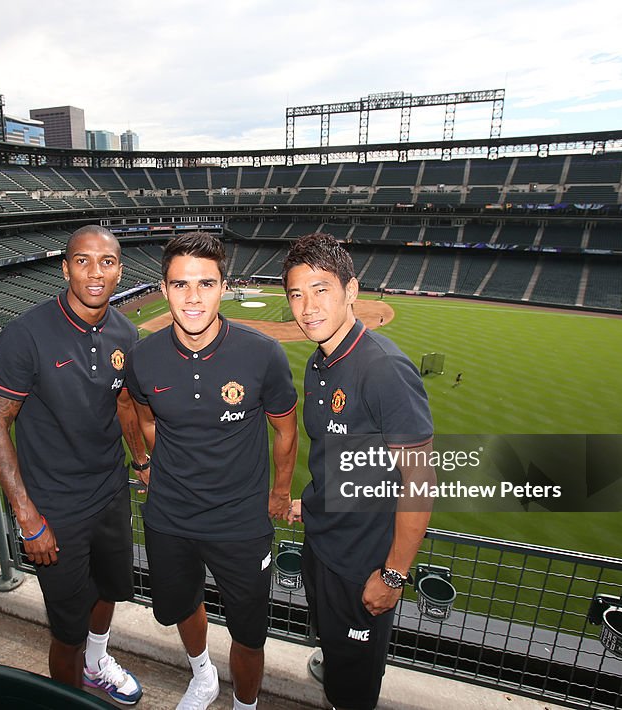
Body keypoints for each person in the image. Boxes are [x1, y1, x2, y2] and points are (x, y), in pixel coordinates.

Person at [124, 232, 299, 710]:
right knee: (182, 606)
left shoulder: (263, 354)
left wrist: (280, 493)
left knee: (249, 631)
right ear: (163, 289)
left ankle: (245, 705)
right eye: (180, 285)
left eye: (205, 283)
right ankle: (202, 676)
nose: (193, 297)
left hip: (241, 523)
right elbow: (141, 415)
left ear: (224, 286)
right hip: (170, 518)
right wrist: (149, 463)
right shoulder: (145, 357)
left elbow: (286, 431)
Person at [0, 225, 146, 706]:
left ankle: (97, 664)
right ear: (65, 267)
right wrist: (27, 516)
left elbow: (122, 406)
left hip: (110, 490)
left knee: (111, 590)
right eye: (83, 261)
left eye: (107, 262)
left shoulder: (124, 331)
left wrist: (141, 461)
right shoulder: (27, 333)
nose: (95, 272)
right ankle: (69, 700)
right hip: (55, 505)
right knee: (67, 629)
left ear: (119, 270)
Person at [282, 232, 437, 710]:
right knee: (334, 648)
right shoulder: (318, 363)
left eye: (321, 289)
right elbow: (338, 457)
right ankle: (334, 664)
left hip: (363, 565)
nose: (307, 307)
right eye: (296, 294)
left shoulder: (385, 368)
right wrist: (310, 503)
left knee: (354, 688)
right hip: (322, 548)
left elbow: (421, 482)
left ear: (351, 291)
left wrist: (393, 576)